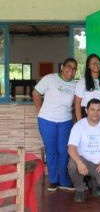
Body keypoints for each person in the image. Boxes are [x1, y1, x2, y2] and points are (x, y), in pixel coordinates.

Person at [32, 57, 77, 191]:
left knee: (64, 151)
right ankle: (53, 180)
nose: (71, 70)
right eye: (69, 66)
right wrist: (40, 111)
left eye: (74, 68)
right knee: (51, 151)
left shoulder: (75, 84)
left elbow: (76, 102)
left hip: (65, 121)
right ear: (62, 67)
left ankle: (64, 180)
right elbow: (36, 93)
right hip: (47, 121)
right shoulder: (49, 78)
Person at [68, 99, 100, 202]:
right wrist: (79, 162)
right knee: (72, 165)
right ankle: (80, 190)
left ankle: (94, 184)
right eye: (92, 109)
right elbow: (71, 148)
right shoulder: (78, 126)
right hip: (83, 160)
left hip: (99, 163)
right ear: (87, 111)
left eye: (98, 110)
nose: (95, 113)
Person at [74, 54, 100, 120]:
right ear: (88, 66)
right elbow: (77, 103)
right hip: (86, 114)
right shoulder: (82, 81)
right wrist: (79, 121)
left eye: (98, 62)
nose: (96, 65)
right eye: (93, 63)